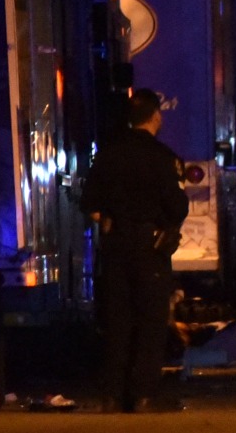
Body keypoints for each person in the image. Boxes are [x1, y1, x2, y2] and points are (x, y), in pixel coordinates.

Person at [80, 88, 189, 412]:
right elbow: (177, 207)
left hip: (115, 246)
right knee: (151, 321)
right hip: (149, 246)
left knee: (117, 321)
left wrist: (113, 220)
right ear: (156, 116)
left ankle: (112, 395)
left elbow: (91, 205)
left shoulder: (108, 154)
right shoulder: (162, 157)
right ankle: (143, 395)